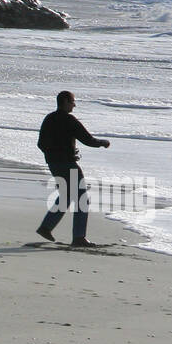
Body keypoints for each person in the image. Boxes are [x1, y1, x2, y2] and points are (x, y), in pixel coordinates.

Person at [35, 90, 110, 247]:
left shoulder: (48, 119)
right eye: (72, 101)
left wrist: (52, 155)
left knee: (67, 196)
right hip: (68, 165)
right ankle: (79, 237)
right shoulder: (69, 120)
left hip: (53, 164)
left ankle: (46, 227)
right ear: (65, 101)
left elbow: (40, 144)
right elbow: (87, 139)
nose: (74, 105)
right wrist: (103, 142)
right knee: (82, 199)